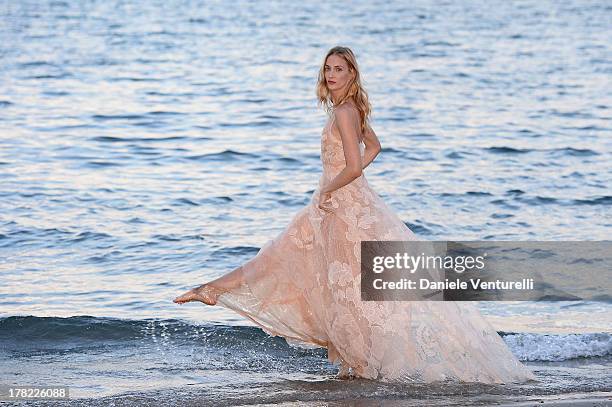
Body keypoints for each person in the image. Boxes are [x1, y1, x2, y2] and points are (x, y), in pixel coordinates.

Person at [173, 46, 536, 384]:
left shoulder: (346, 112)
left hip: (341, 208)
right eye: (328, 69)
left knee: (325, 278)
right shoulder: (346, 110)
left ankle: (357, 366)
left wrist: (329, 190)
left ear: (351, 75)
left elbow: (354, 167)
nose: (331, 74)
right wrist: (334, 189)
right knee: (293, 262)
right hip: (341, 204)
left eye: (339, 69)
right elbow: (374, 147)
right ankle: (215, 291)